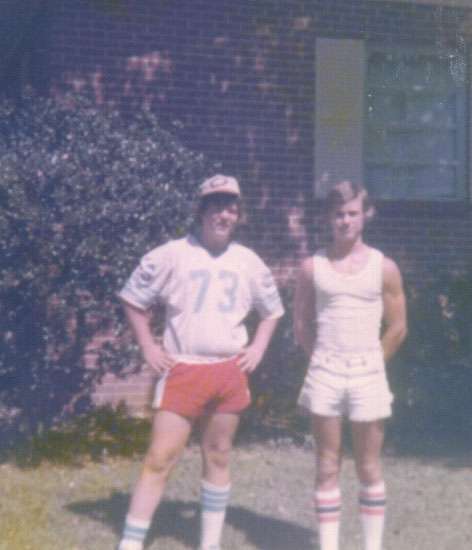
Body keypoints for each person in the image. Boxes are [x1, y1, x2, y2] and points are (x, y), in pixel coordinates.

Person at [116, 174, 284, 550]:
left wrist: (258, 347)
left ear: (238, 215)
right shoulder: (173, 253)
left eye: (231, 208)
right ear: (202, 211)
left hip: (228, 370)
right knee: (160, 457)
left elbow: (272, 311)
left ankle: (210, 543)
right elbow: (133, 298)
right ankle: (130, 542)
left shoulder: (247, 260)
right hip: (184, 368)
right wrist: (147, 345)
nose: (224, 215)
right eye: (217, 206)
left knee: (219, 455)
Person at [293, 180, 407, 550]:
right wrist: (322, 359)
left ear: (366, 215)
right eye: (338, 214)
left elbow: (398, 327)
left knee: (368, 467)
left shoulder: (384, 267)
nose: (345, 220)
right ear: (328, 218)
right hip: (326, 370)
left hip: (367, 372)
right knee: (327, 465)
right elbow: (300, 325)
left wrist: (372, 362)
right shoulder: (312, 267)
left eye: (352, 213)